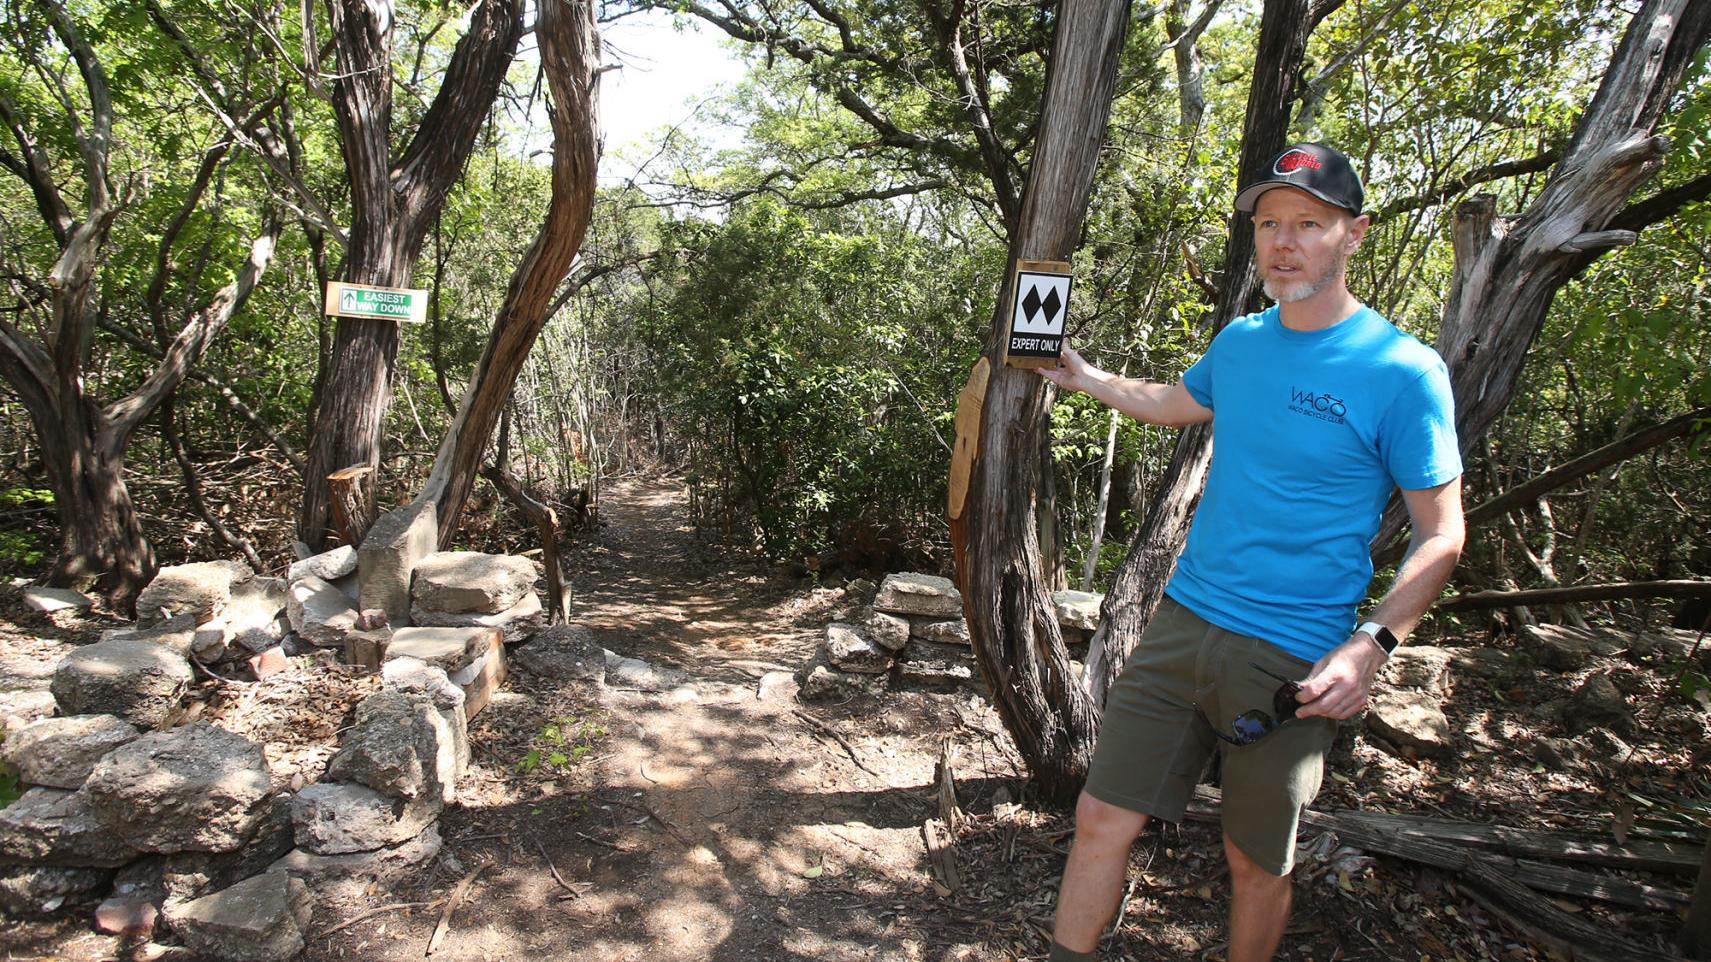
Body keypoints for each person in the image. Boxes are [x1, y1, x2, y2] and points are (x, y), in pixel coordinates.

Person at [1036, 143, 1466, 962]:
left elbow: (1442, 532)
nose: (1283, 242)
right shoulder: (1240, 342)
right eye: (1269, 223)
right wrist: (1087, 378)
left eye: (1307, 223)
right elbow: (1178, 401)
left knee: (1255, 861)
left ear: (1353, 235)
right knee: (1099, 815)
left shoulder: (1403, 372)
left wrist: (1370, 646)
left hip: (1292, 653)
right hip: (1182, 621)